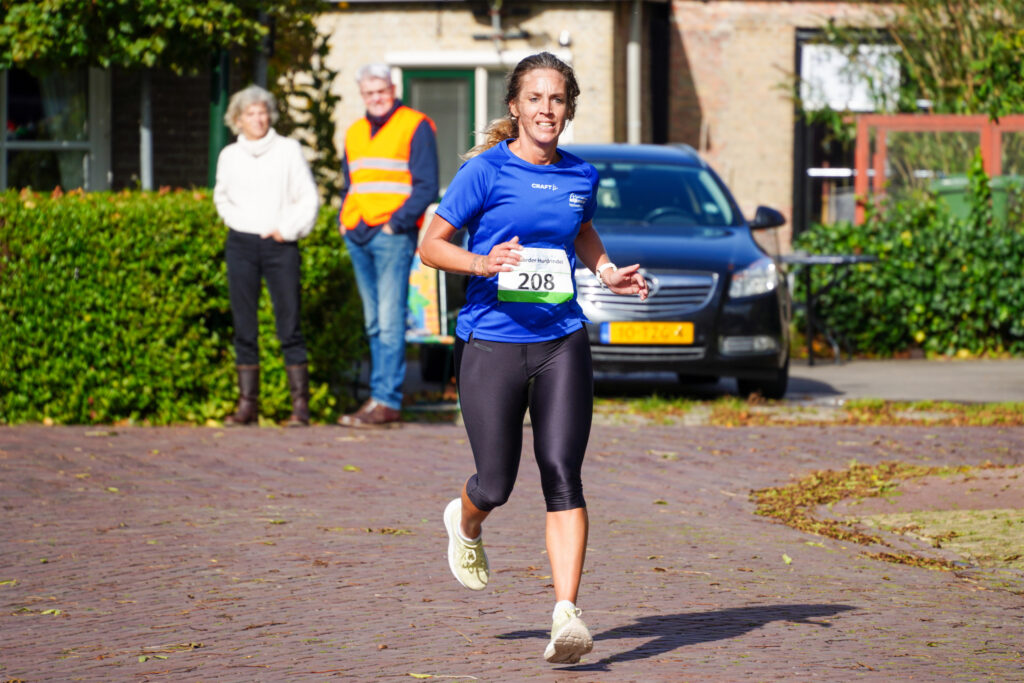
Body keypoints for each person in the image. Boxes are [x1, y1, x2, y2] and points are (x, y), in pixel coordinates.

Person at [418, 52, 648, 664]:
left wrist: (606, 271)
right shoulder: (485, 172)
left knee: (562, 471)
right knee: (495, 482)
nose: (547, 110)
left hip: (561, 340)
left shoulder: (581, 175)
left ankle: (567, 614)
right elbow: (431, 245)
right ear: (515, 107)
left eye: (557, 99)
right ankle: (466, 522)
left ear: (568, 109)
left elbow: (581, 231)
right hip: (491, 341)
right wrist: (481, 262)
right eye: (536, 99)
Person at [337, 63, 439, 428]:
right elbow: (349, 183)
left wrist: (396, 224)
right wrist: (343, 220)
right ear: (362, 95)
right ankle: (377, 398)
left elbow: (427, 185)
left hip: (391, 234)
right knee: (373, 322)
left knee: (390, 320)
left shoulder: (415, 125)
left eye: (381, 91)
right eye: (369, 93)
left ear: (393, 90)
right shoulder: (353, 132)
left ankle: (387, 400)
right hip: (357, 232)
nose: (376, 98)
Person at [214, 85, 320, 427]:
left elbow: (308, 198)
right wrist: (242, 224)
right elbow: (222, 198)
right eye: (250, 114)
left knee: (289, 324)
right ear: (238, 119)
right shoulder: (229, 155)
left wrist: (286, 230)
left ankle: (300, 407)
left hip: (280, 245)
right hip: (241, 245)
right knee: (244, 326)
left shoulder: (288, 150)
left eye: (262, 112)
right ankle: (247, 406)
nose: (258, 119)